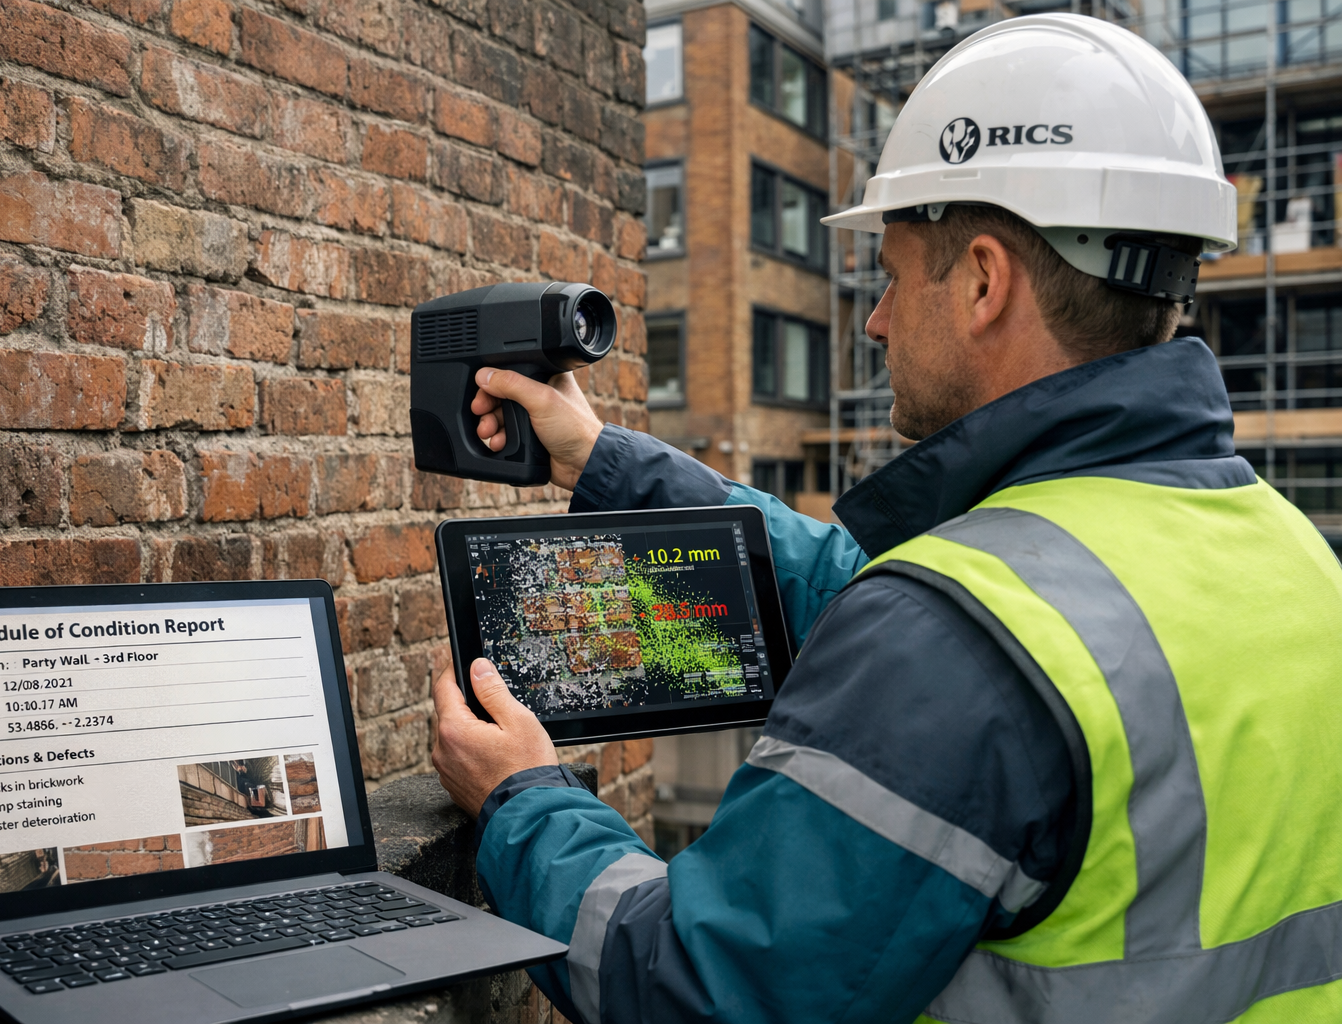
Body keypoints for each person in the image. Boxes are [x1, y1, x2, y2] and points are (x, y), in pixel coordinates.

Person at [429, 14, 1342, 1024]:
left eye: (896, 275)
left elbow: (702, 988)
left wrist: (525, 801)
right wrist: (601, 457)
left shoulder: (955, 638)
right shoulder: (1295, 557)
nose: (874, 318)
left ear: (985, 282)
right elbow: (855, 586)